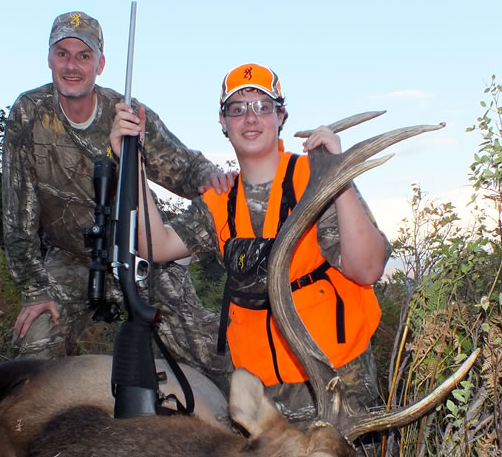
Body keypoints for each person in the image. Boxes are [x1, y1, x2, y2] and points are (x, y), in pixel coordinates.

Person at [111, 63, 390, 424]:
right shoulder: (221, 200)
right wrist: (131, 158)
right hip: (262, 395)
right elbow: (156, 245)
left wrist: (338, 177)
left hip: (335, 380)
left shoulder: (314, 177)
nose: (251, 118)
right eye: (237, 109)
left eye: (263, 106)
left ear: (281, 116)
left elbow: (367, 269)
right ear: (223, 123)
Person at [1, 11, 232, 381]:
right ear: (49, 58)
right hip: (70, 257)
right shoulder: (27, 114)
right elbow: (17, 214)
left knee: (207, 348)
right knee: (33, 343)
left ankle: (243, 421)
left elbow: (186, 168)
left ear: (100, 64)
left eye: (84, 56)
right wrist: (34, 289)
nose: (72, 65)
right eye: (62, 54)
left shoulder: (128, 114)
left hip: (138, 253)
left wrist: (218, 180)